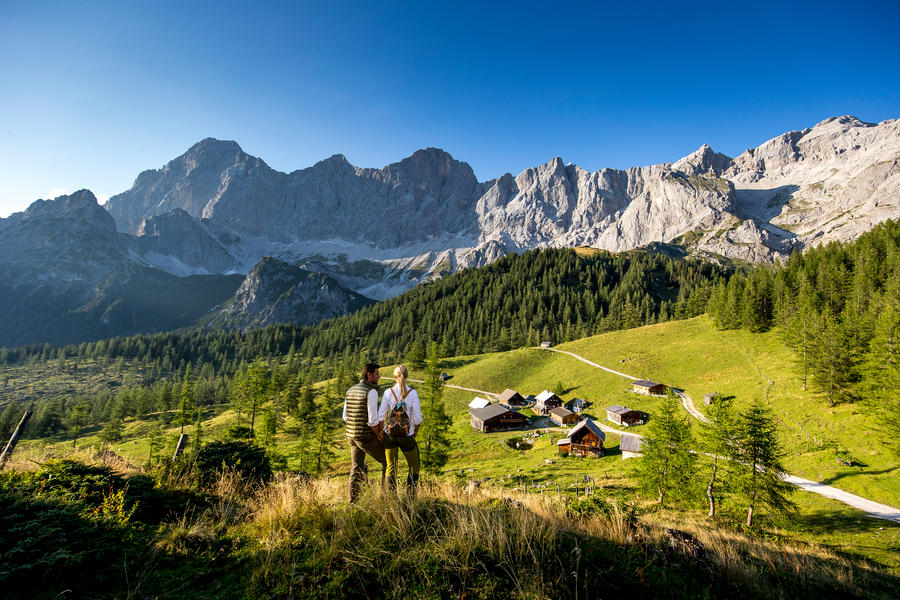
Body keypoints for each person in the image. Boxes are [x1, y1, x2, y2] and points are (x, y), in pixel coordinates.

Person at [343, 362, 386, 503]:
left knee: (356, 468)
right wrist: (379, 435)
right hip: (365, 437)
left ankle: (352, 503)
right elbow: (372, 420)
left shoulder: (350, 390)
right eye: (377, 374)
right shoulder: (371, 392)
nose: (379, 377)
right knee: (389, 462)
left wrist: (354, 427)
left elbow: (345, 416)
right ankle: (387, 497)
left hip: (351, 436)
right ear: (369, 375)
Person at [378, 364, 423, 495]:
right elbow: (417, 417)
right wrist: (415, 431)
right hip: (406, 435)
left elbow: (381, 414)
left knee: (390, 467)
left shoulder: (388, 392)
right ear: (407, 376)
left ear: (394, 377)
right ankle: (411, 497)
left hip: (390, 435)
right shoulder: (413, 393)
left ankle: (391, 499)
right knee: (414, 465)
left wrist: (381, 431)